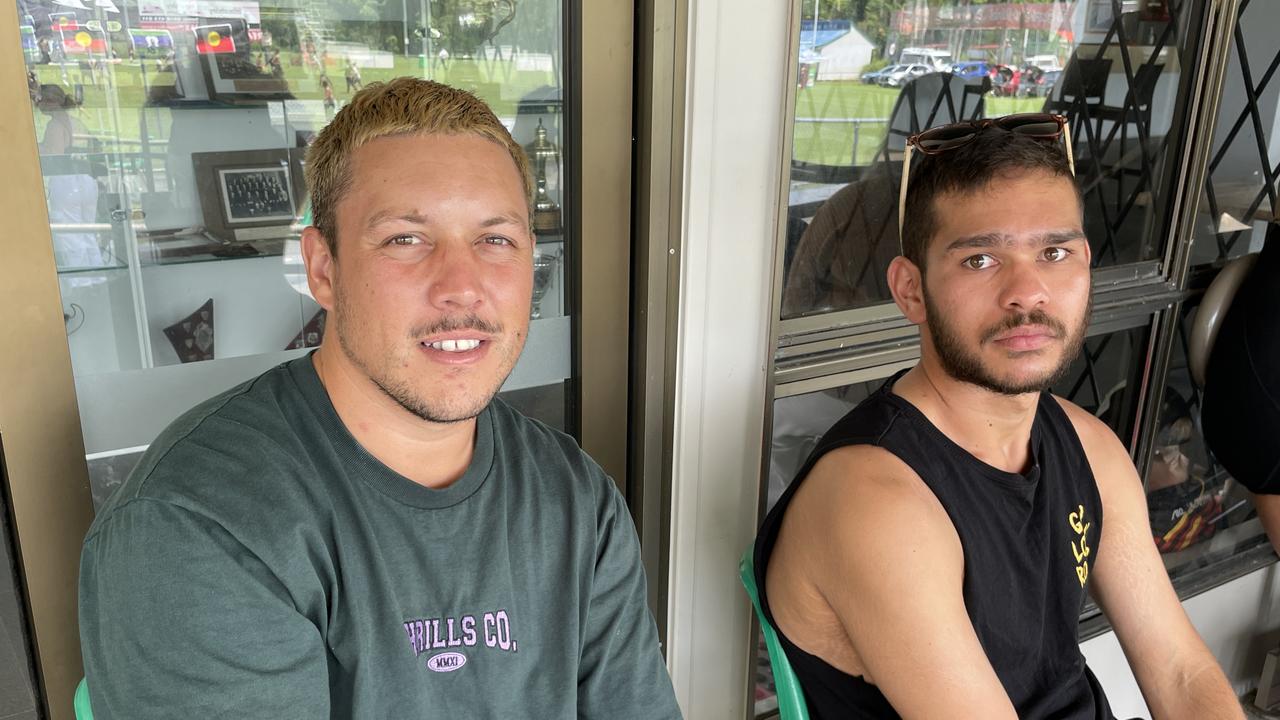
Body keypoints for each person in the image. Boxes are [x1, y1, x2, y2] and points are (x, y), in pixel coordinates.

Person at [79, 78, 681, 719]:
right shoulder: (200, 526)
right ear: (323, 269)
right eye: (405, 239)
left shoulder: (574, 497)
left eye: (496, 239)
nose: (462, 287)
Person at [754, 118, 1240, 719]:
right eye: (981, 259)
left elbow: (1181, 669)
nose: (1028, 291)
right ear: (911, 290)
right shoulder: (877, 501)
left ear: (1085, 265)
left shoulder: (1087, 444)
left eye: (1054, 253)